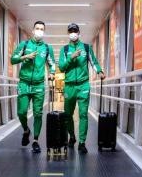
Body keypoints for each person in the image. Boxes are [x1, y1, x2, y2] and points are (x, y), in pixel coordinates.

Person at [59, 23, 105, 154]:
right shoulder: (65, 50)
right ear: (68, 33)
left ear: (79, 33)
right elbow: (61, 67)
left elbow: (93, 62)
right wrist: (71, 58)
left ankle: (82, 142)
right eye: (70, 31)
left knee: (83, 114)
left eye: (75, 31)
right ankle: (72, 137)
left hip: (83, 85)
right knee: (68, 115)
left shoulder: (86, 47)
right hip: (69, 86)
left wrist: (99, 71)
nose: (73, 33)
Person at [10, 21, 55, 153]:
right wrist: (25, 57)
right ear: (33, 30)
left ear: (44, 32)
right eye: (37, 28)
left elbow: (52, 63)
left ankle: (35, 140)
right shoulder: (24, 45)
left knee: (38, 113)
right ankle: (26, 130)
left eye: (42, 29)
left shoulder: (47, 48)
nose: (39, 31)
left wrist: (52, 73)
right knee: (21, 112)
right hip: (24, 83)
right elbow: (13, 59)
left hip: (39, 85)